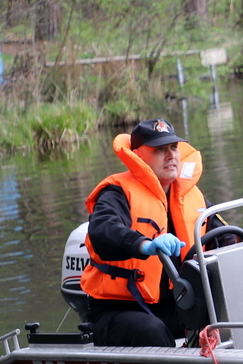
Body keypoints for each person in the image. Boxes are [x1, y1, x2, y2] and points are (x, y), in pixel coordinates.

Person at [81, 119, 209, 347]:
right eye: (159, 150)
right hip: (118, 309)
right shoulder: (116, 192)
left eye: (173, 148)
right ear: (138, 157)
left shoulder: (190, 195)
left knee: (224, 314)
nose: (170, 155)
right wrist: (144, 244)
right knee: (151, 330)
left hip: (177, 305)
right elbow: (103, 230)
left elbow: (219, 231)